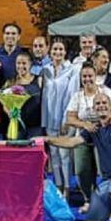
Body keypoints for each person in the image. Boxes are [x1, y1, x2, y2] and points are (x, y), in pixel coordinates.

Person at [45, 93, 111, 221]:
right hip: (108, 180)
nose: (101, 106)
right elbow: (71, 142)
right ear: (93, 109)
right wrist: (48, 140)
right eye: (97, 103)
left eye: (104, 103)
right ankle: (110, 208)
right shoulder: (93, 129)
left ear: (110, 106)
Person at [66, 62, 111, 207]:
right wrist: (84, 125)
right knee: (81, 171)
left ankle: (109, 201)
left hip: (103, 139)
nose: (87, 79)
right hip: (84, 138)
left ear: (95, 76)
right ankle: (88, 199)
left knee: (105, 171)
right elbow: (70, 118)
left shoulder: (105, 91)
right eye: (84, 76)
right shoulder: (77, 96)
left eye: (90, 76)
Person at [41, 39, 81, 197]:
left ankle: (67, 187)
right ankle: (58, 185)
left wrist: (67, 119)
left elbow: (72, 95)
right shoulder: (46, 70)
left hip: (65, 119)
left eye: (60, 50)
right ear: (50, 52)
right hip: (50, 118)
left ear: (65, 52)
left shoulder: (72, 70)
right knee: (54, 155)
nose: (57, 53)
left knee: (64, 155)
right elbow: (44, 97)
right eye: (55, 49)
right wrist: (44, 121)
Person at [6, 52, 43, 139]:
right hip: (17, 126)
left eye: (24, 63)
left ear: (30, 64)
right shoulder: (11, 82)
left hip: (35, 127)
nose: (21, 66)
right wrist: (10, 113)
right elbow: (5, 103)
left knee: (34, 152)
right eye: (18, 63)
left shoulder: (39, 80)